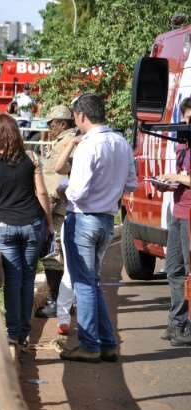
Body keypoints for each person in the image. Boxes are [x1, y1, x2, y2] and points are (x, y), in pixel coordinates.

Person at [59, 94, 137, 363]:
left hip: (83, 219)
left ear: (81, 116)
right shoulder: (121, 142)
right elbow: (131, 184)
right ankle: (107, 343)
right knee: (92, 284)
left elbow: (77, 191)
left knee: (84, 284)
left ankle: (90, 345)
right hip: (106, 220)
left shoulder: (88, 146)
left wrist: (63, 190)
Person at [0, 114, 52, 346]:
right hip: (31, 224)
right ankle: (24, 332)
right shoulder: (31, 157)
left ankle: (13, 332)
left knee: (12, 278)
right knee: (27, 278)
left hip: (5, 226)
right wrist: (48, 221)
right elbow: (41, 193)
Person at [34, 105, 78, 329]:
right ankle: (60, 300)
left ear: (62, 123)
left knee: (54, 255)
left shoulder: (66, 143)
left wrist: (45, 209)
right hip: (60, 206)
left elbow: (56, 179)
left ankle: (57, 301)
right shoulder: (66, 141)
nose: (49, 127)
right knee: (57, 254)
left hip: (58, 208)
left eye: (51, 123)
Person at [156, 97, 191, 346]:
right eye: (185, 117)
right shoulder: (182, 143)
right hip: (178, 212)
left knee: (188, 273)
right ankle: (176, 322)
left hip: (189, 215)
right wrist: (167, 184)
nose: (187, 122)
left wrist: (173, 176)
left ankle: (184, 326)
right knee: (174, 269)